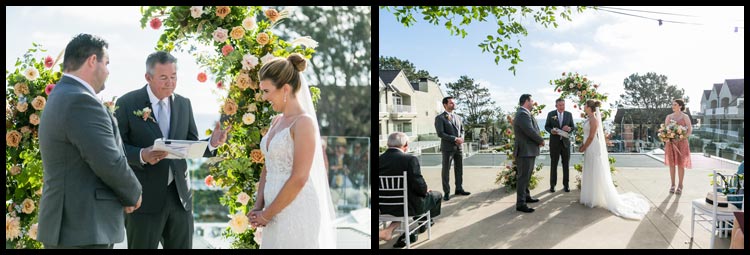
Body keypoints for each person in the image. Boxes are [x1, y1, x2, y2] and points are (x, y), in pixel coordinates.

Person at [114, 51, 230, 249]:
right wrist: (142, 155)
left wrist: (212, 143)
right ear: (148, 77)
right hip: (143, 199)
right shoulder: (126, 103)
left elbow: (191, 144)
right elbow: (116, 147)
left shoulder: (184, 104)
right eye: (164, 77)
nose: (170, 82)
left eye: (174, 76)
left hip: (180, 199)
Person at [37, 33, 143, 249]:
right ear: (92, 61)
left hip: (73, 226)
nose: (108, 71)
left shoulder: (61, 95)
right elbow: (107, 160)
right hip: (83, 228)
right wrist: (133, 193)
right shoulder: (80, 100)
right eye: (106, 63)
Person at [247, 53, 336, 248]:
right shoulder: (276, 121)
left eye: (267, 91)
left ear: (285, 89)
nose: (264, 97)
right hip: (271, 211)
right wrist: (258, 206)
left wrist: (266, 214)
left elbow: (299, 177)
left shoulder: (303, 123)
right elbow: (267, 166)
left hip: (296, 209)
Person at [578, 99, 649, 220]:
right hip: (588, 147)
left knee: (595, 170)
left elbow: (591, 136)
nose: (584, 106)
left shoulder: (594, 120)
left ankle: (596, 197)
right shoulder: (588, 118)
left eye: (585, 105)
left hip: (592, 147)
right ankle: (590, 196)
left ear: (589, 107)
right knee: (589, 169)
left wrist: (583, 147)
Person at [379, 132, 442, 248]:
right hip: (408, 206)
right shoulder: (410, 159)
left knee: (404, 204)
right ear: (406, 144)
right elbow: (419, 185)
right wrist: (426, 190)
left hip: (383, 206)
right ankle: (424, 223)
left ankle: (390, 230)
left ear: (388, 144)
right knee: (437, 195)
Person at [435, 96, 470, 201]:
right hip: (447, 148)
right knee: (446, 170)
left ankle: (459, 188)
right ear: (445, 105)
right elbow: (440, 133)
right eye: (451, 103)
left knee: (459, 169)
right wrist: (455, 138)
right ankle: (446, 192)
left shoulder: (458, 117)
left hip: (459, 147)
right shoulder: (440, 118)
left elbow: (463, 130)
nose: (453, 105)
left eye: (454, 103)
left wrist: (462, 138)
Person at [513, 94, 543, 213]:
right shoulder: (522, 114)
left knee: (527, 176)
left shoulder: (525, 113)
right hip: (525, 151)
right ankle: (520, 203)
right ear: (526, 101)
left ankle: (526, 196)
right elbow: (529, 131)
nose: (533, 102)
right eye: (532, 100)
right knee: (523, 177)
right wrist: (540, 140)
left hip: (528, 151)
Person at [544, 98, 575, 192]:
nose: (562, 107)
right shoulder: (550, 114)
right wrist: (551, 131)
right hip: (554, 144)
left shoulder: (569, 114)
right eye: (560, 105)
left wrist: (569, 128)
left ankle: (566, 185)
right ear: (556, 106)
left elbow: (573, 127)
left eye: (563, 105)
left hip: (565, 144)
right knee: (554, 165)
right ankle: (552, 185)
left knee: (566, 165)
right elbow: (546, 126)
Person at [664, 99, 692, 195]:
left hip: (682, 143)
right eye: (672, 104)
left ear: (680, 106)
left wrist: (681, 137)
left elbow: (689, 130)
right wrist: (668, 137)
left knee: (681, 165)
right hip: (671, 143)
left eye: (675, 104)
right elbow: (665, 130)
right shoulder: (669, 116)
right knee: (671, 165)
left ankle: (680, 185)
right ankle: (672, 185)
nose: (673, 106)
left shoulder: (685, 116)